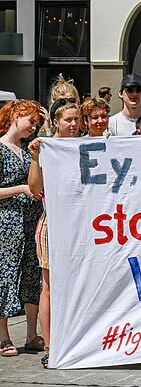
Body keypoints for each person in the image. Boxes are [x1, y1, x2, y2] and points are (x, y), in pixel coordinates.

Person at [27, 101, 81, 368]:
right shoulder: (46, 148)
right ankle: (50, 345)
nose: (73, 125)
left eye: (76, 120)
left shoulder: (84, 146)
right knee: (49, 286)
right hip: (53, 225)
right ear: (57, 122)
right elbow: (35, 190)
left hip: (82, 226)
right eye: (68, 120)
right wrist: (36, 159)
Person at [0, 100, 45, 358]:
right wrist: (20, 189)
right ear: (17, 116)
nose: (34, 127)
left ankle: (31, 334)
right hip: (6, 221)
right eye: (31, 121)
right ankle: (4, 336)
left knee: (30, 273)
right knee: (6, 274)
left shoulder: (29, 151)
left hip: (30, 220)